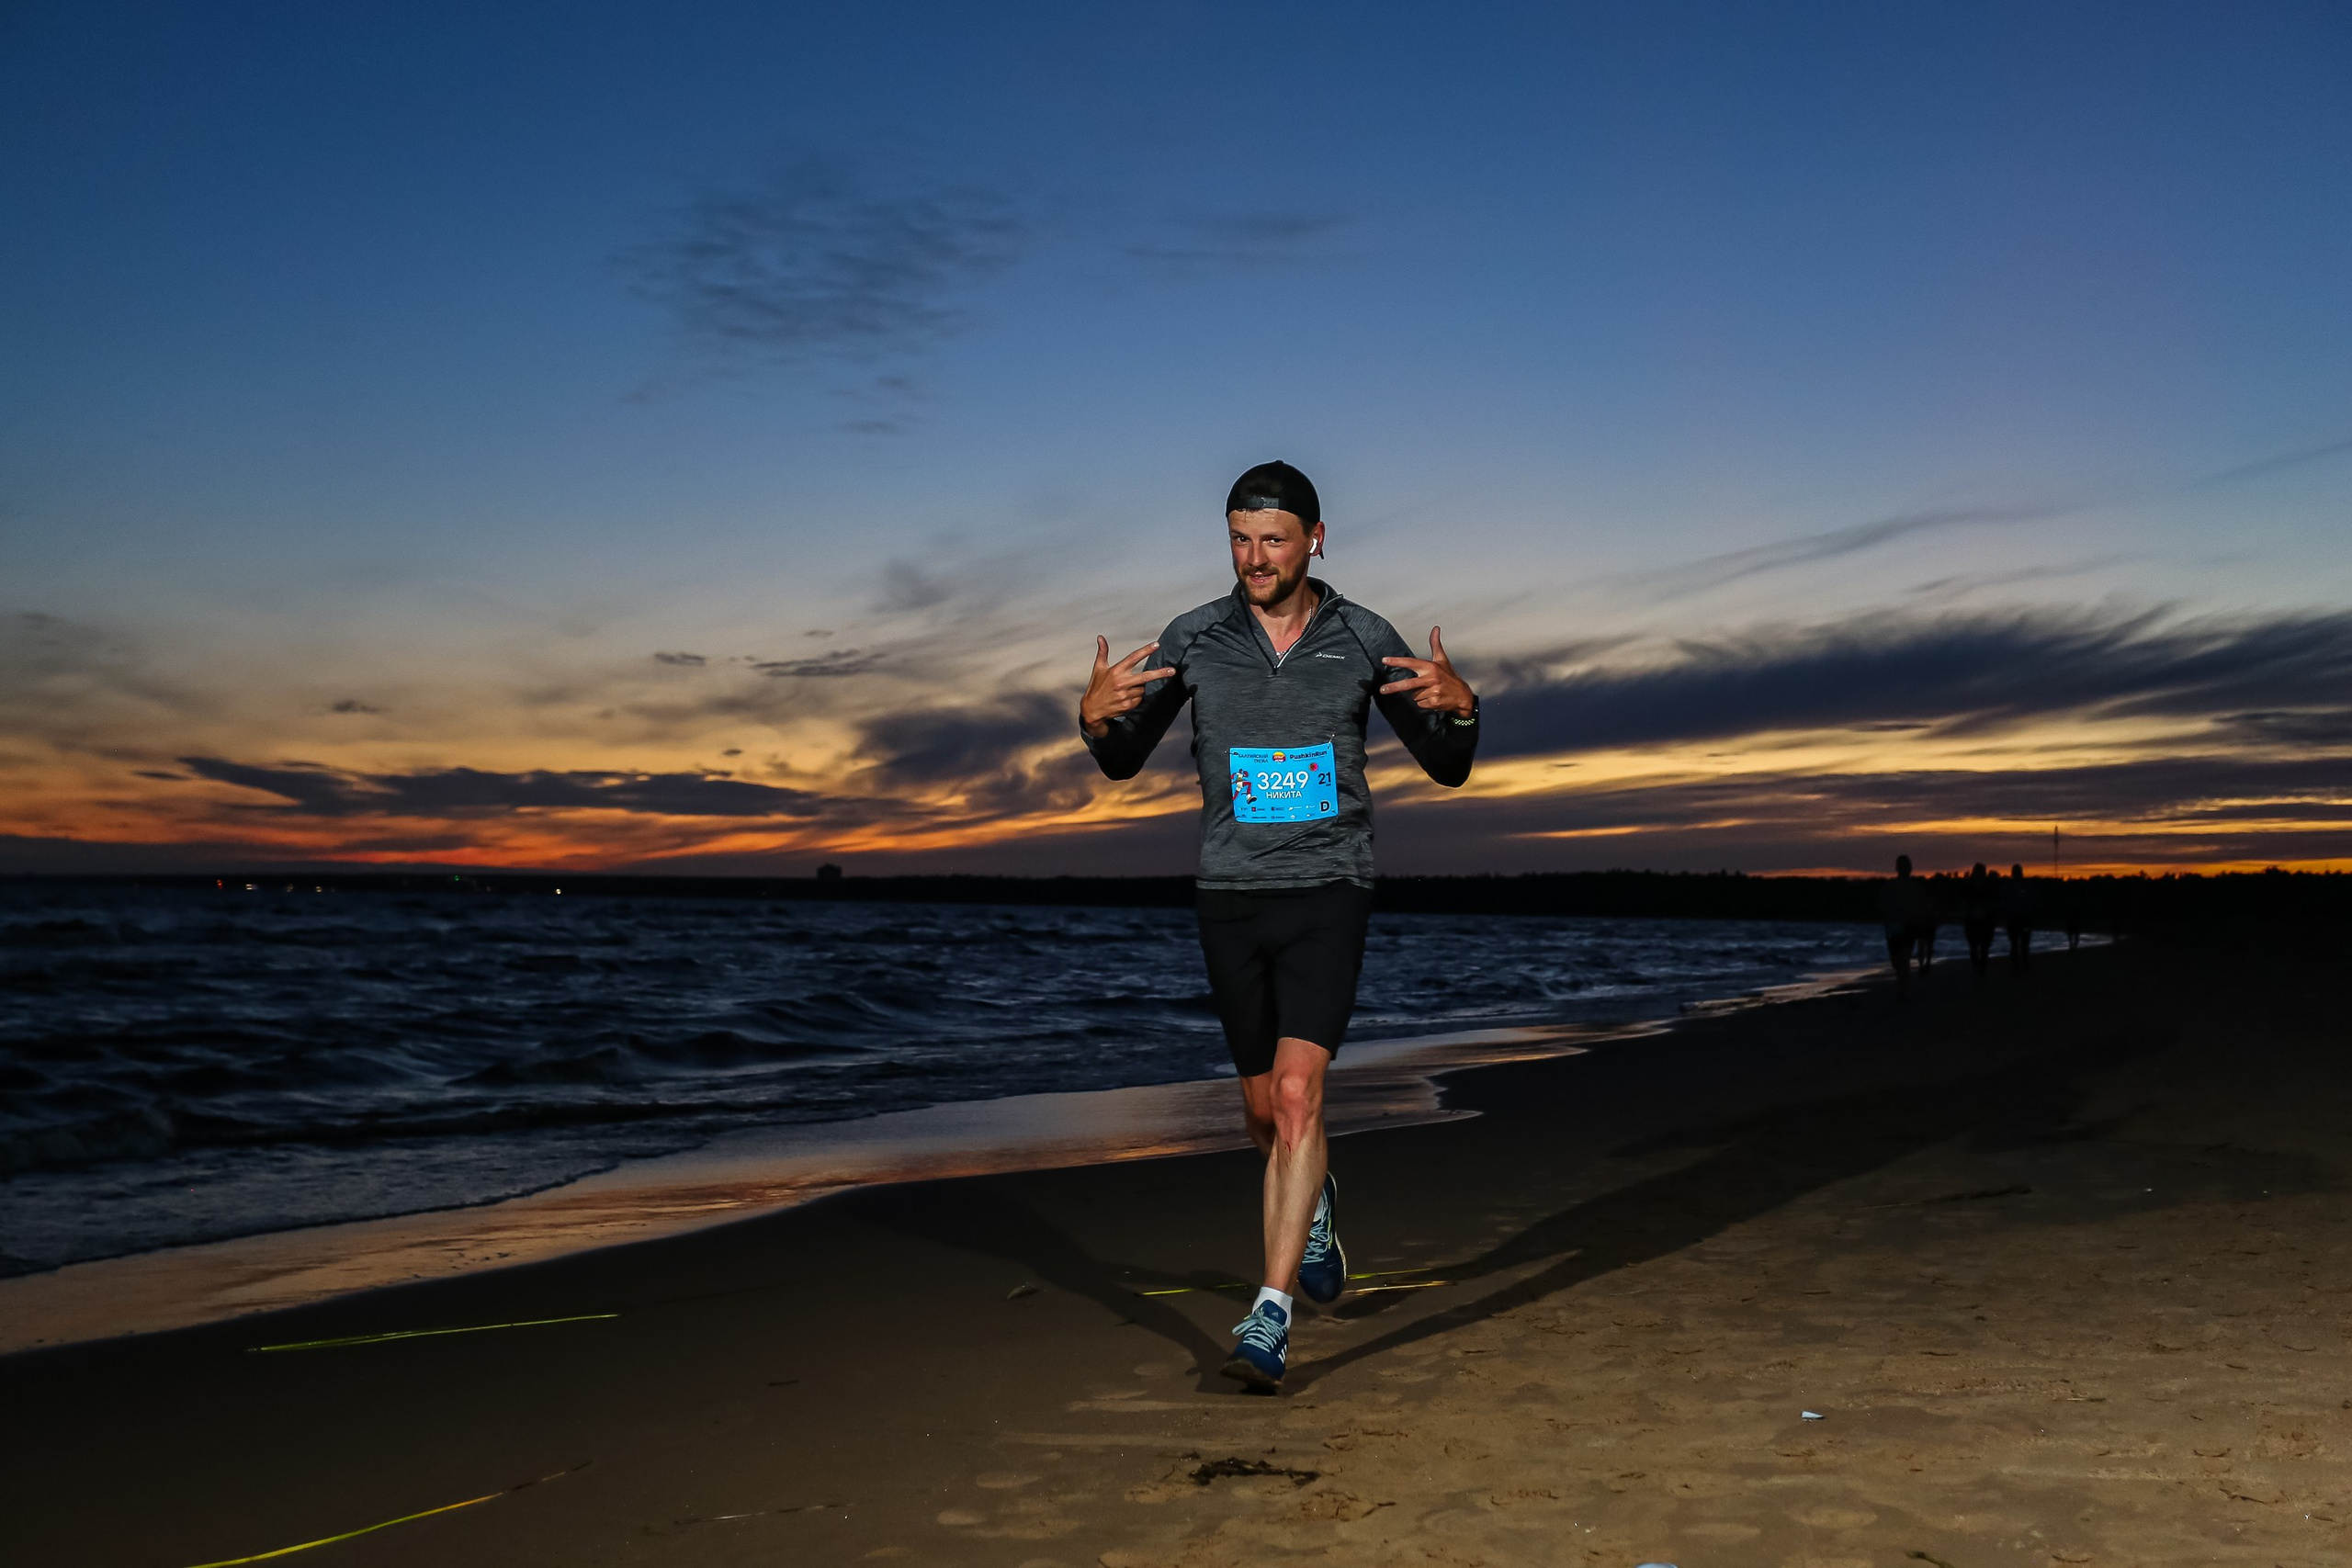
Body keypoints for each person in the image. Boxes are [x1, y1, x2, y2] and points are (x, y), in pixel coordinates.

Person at [1079, 460, 1480, 1391]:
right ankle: (1318, 1205)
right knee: (1262, 1111)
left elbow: (1445, 766)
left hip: (1329, 887)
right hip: (1228, 894)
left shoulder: (1361, 636)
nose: (1254, 557)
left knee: (1300, 1098)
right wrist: (1094, 720)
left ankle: (1269, 1315)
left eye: (1273, 539)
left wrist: (1461, 714)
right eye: (1239, 539)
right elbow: (1123, 761)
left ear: (1314, 540)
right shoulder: (1198, 634)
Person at [1876, 854, 1934, 998]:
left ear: (1910, 868)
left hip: (1910, 926)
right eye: (1902, 866)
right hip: (1893, 927)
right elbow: (1881, 904)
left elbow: (1923, 905)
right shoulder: (1890, 886)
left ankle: (1902, 991)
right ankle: (1901, 983)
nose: (1904, 869)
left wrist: (1922, 919)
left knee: (1905, 957)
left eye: (1906, 866)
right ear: (1897, 868)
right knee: (1896, 962)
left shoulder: (1915, 887)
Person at [1962, 863, 1997, 979]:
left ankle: (1981, 968)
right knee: (1974, 946)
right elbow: (1964, 902)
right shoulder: (1968, 885)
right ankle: (1977, 967)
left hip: (1986, 921)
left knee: (1984, 947)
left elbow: (1993, 902)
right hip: (1972, 921)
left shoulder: (1989, 886)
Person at [2001, 863, 2038, 967]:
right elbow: (2005, 904)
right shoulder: (2010, 887)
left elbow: (2032, 902)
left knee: (2022, 943)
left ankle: (2021, 962)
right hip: (2015, 919)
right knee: (2016, 943)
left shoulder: (2024, 886)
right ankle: (2018, 963)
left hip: (2023, 919)